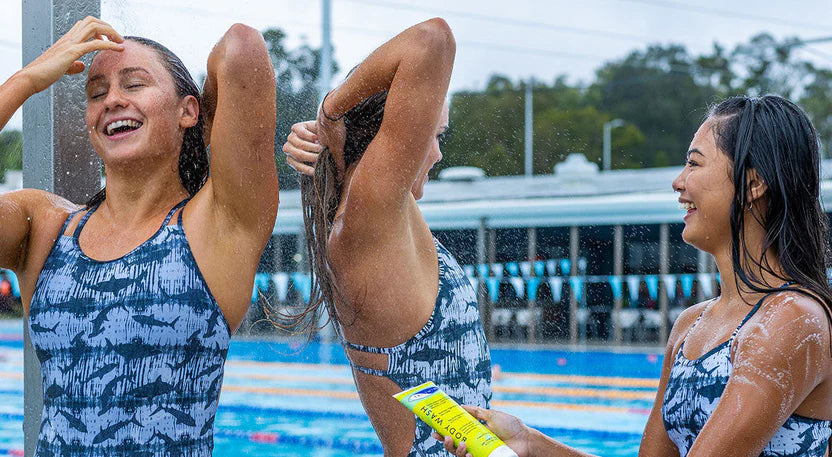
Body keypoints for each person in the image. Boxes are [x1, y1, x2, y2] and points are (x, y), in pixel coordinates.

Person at [438, 95, 832, 457]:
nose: (678, 182)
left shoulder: (793, 320)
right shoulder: (691, 325)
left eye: (694, 163)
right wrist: (529, 443)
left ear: (753, 183)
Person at [0, 17, 277, 455]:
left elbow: (242, 48)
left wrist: (205, 130)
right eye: (96, 93)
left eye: (134, 84)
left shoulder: (216, 225)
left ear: (188, 111)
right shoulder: (46, 227)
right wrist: (28, 79)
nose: (112, 100)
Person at [282, 18, 492, 457]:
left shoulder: (380, 216)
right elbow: (432, 39)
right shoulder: (367, 219)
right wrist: (330, 112)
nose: (437, 153)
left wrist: (330, 137)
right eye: (433, 135)